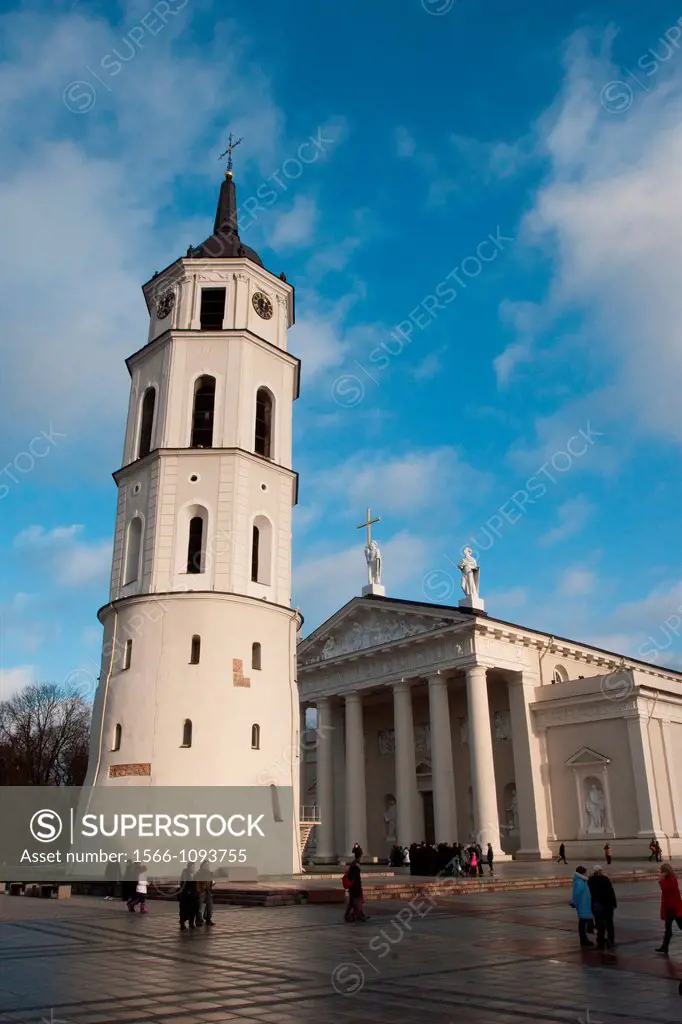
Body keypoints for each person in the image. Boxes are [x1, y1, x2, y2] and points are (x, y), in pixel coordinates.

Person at [655, 863, 682, 955]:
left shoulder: (672, 880)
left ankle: (664, 947)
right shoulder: (670, 879)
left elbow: (665, 889)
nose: (661, 873)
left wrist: (661, 880)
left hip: (673, 907)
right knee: (668, 928)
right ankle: (664, 947)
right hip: (670, 907)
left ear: (666, 871)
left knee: (677, 926)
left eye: (662, 871)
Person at [588, 865, 617, 949]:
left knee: (599, 923)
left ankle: (600, 938)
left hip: (597, 905)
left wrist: (592, 904)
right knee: (609, 923)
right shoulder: (605, 879)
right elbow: (611, 893)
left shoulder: (591, 880)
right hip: (607, 905)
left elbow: (590, 894)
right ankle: (610, 939)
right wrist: (613, 904)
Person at [570, 866, 594, 947]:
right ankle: (584, 940)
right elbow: (576, 894)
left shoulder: (582, 881)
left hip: (584, 904)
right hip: (583, 905)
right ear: (582, 873)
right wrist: (574, 902)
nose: (587, 874)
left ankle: (584, 939)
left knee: (583, 922)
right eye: (585, 872)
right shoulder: (580, 882)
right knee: (582, 923)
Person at [344, 854, 368, 922]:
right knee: (356, 903)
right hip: (354, 889)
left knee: (352, 903)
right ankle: (358, 916)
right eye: (359, 861)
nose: (360, 862)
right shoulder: (355, 869)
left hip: (354, 888)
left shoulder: (354, 869)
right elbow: (355, 880)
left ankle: (351, 915)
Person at [178, 859, 199, 931]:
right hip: (186, 896)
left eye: (194, 867)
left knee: (193, 910)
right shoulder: (185, 874)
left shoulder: (195, 875)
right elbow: (183, 884)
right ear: (189, 867)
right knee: (184, 911)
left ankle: (191, 923)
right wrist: (188, 891)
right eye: (192, 867)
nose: (193, 868)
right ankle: (182, 923)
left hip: (193, 895)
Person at [197, 859, 215, 926]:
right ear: (203, 865)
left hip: (208, 891)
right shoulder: (199, 873)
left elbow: (211, 881)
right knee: (199, 907)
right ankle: (198, 920)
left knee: (210, 905)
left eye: (208, 865)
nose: (208, 866)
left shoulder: (209, 873)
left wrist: (212, 883)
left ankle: (208, 918)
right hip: (201, 891)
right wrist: (199, 890)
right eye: (206, 865)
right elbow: (198, 882)